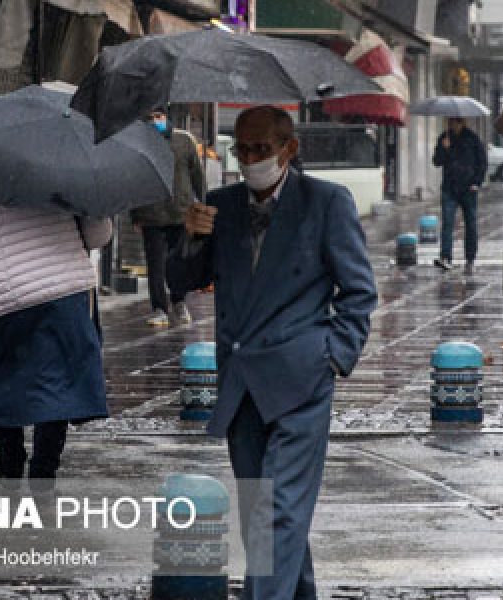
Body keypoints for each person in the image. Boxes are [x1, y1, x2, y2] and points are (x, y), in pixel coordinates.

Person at [181, 105, 377, 595]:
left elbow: (359, 290)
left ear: (289, 149)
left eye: (260, 149)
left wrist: (334, 354)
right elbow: (184, 280)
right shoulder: (219, 205)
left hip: (300, 380)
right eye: (241, 149)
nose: (249, 159)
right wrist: (189, 238)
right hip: (241, 382)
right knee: (262, 516)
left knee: (278, 511)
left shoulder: (326, 202)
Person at [0, 182, 112, 489]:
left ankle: (10, 459)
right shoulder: (70, 169)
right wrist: (94, 206)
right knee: (59, 385)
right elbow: (97, 237)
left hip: (11, 296)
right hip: (66, 291)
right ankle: (44, 469)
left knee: (9, 381)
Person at [131, 107, 206, 327]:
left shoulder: (184, 141)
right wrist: (135, 214)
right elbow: (134, 181)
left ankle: (179, 301)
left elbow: (197, 176)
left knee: (180, 260)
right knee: (155, 264)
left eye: (159, 116)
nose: (155, 121)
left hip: (180, 212)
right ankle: (158, 308)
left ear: (166, 117)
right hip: (151, 213)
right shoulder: (141, 144)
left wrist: (202, 204)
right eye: (151, 117)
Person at [431, 117, 487, 274]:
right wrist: (444, 149)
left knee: (471, 224)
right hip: (450, 188)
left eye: (455, 122)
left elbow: (482, 162)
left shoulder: (472, 139)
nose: (451, 124)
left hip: (469, 189)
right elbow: (437, 161)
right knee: (447, 224)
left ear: (462, 122)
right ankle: (446, 257)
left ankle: (470, 258)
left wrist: (477, 182)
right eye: (450, 121)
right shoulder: (444, 138)